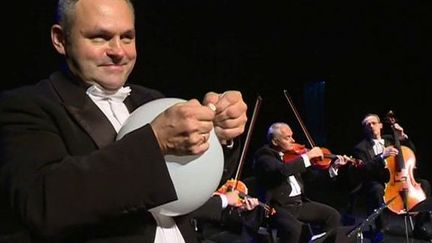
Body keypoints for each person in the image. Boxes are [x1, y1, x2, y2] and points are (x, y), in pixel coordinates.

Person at [0, 0, 250, 242]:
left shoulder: (151, 100)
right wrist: (155, 142)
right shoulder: (25, 106)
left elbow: (190, 182)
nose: (118, 51)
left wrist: (217, 135)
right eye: (100, 37)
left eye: (127, 37)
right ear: (60, 39)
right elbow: (45, 204)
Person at [253, 122, 353, 243]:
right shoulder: (264, 156)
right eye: (287, 137)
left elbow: (312, 178)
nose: (293, 140)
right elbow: (283, 171)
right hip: (277, 207)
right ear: (275, 142)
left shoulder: (291, 156)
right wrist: (307, 156)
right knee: (294, 229)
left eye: (292, 136)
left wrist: (333, 168)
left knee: (333, 215)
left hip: (298, 204)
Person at [352, 113, 431, 241]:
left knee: (425, 184)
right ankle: (380, 229)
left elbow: (411, 152)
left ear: (381, 125)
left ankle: (419, 227)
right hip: (378, 181)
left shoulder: (391, 139)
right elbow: (364, 169)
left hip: (400, 178)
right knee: (376, 189)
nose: (371, 126)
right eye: (367, 125)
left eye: (373, 123)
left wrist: (403, 137)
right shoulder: (360, 148)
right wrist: (382, 156)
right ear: (365, 129)